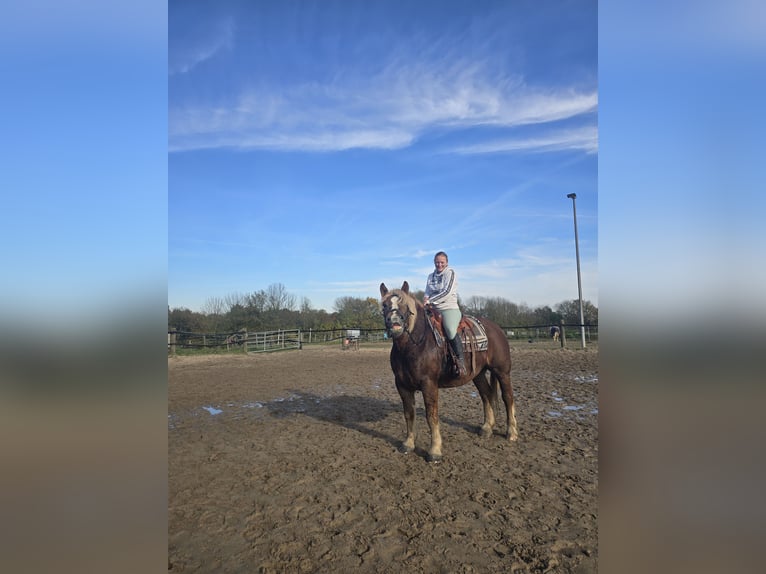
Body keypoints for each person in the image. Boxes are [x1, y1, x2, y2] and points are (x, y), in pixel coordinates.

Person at [424, 251, 466, 376]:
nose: (439, 264)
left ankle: (460, 361)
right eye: (437, 262)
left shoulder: (450, 273)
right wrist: (425, 299)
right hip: (433, 308)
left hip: (449, 308)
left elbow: (447, 292)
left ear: (446, 263)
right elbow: (427, 291)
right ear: (434, 262)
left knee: (449, 329)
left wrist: (430, 300)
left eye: (442, 262)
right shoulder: (430, 276)